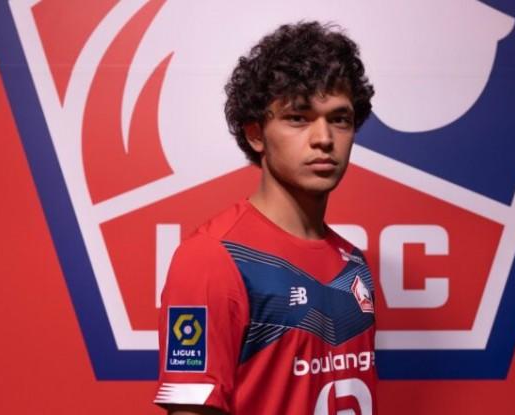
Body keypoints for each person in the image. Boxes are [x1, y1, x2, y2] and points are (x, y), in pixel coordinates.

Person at [155, 21, 377, 415]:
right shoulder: (211, 258)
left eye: (339, 119)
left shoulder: (353, 264)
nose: (324, 138)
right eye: (298, 118)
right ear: (256, 134)